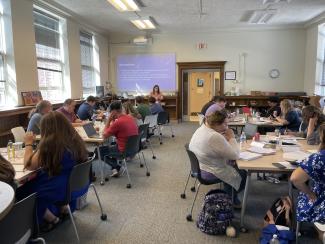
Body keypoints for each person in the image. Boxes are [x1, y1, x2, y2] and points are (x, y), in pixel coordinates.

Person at [16, 111, 88, 231]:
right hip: (73, 186)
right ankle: (63, 208)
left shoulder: (50, 144)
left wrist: (28, 144)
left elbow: (29, 165)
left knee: (20, 192)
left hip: (57, 188)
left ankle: (51, 219)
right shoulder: (75, 139)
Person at [189, 110, 246, 207]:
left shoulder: (202, 128)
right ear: (216, 124)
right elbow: (235, 155)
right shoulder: (214, 136)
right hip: (211, 170)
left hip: (201, 166)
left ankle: (231, 197)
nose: (227, 127)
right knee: (243, 173)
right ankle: (229, 200)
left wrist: (223, 139)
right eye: (225, 124)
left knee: (234, 165)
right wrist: (231, 137)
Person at [290, 123, 325, 227]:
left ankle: (321, 231)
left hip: (322, 200)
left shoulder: (318, 158)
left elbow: (295, 179)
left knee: (304, 195)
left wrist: (309, 193)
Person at [102, 101, 138, 177]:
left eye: (110, 112)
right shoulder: (130, 117)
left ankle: (116, 166)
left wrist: (109, 120)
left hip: (123, 151)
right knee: (112, 144)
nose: (110, 113)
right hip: (133, 149)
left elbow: (104, 135)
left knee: (99, 151)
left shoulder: (118, 122)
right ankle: (114, 168)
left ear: (114, 111)